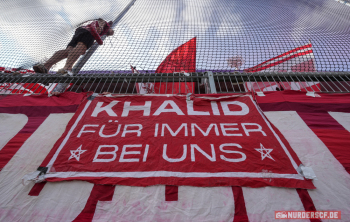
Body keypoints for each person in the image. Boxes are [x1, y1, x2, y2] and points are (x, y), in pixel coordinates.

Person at [33, 18, 114, 75]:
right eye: (111, 31)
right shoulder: (105, 25)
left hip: (80, 31)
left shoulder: (100, 33)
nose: (111, 33)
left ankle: (46, 66)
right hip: (90, 32)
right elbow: (101, 22)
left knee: (68, 51)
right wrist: (100, 26)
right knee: (80, 48)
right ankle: (66, 69)